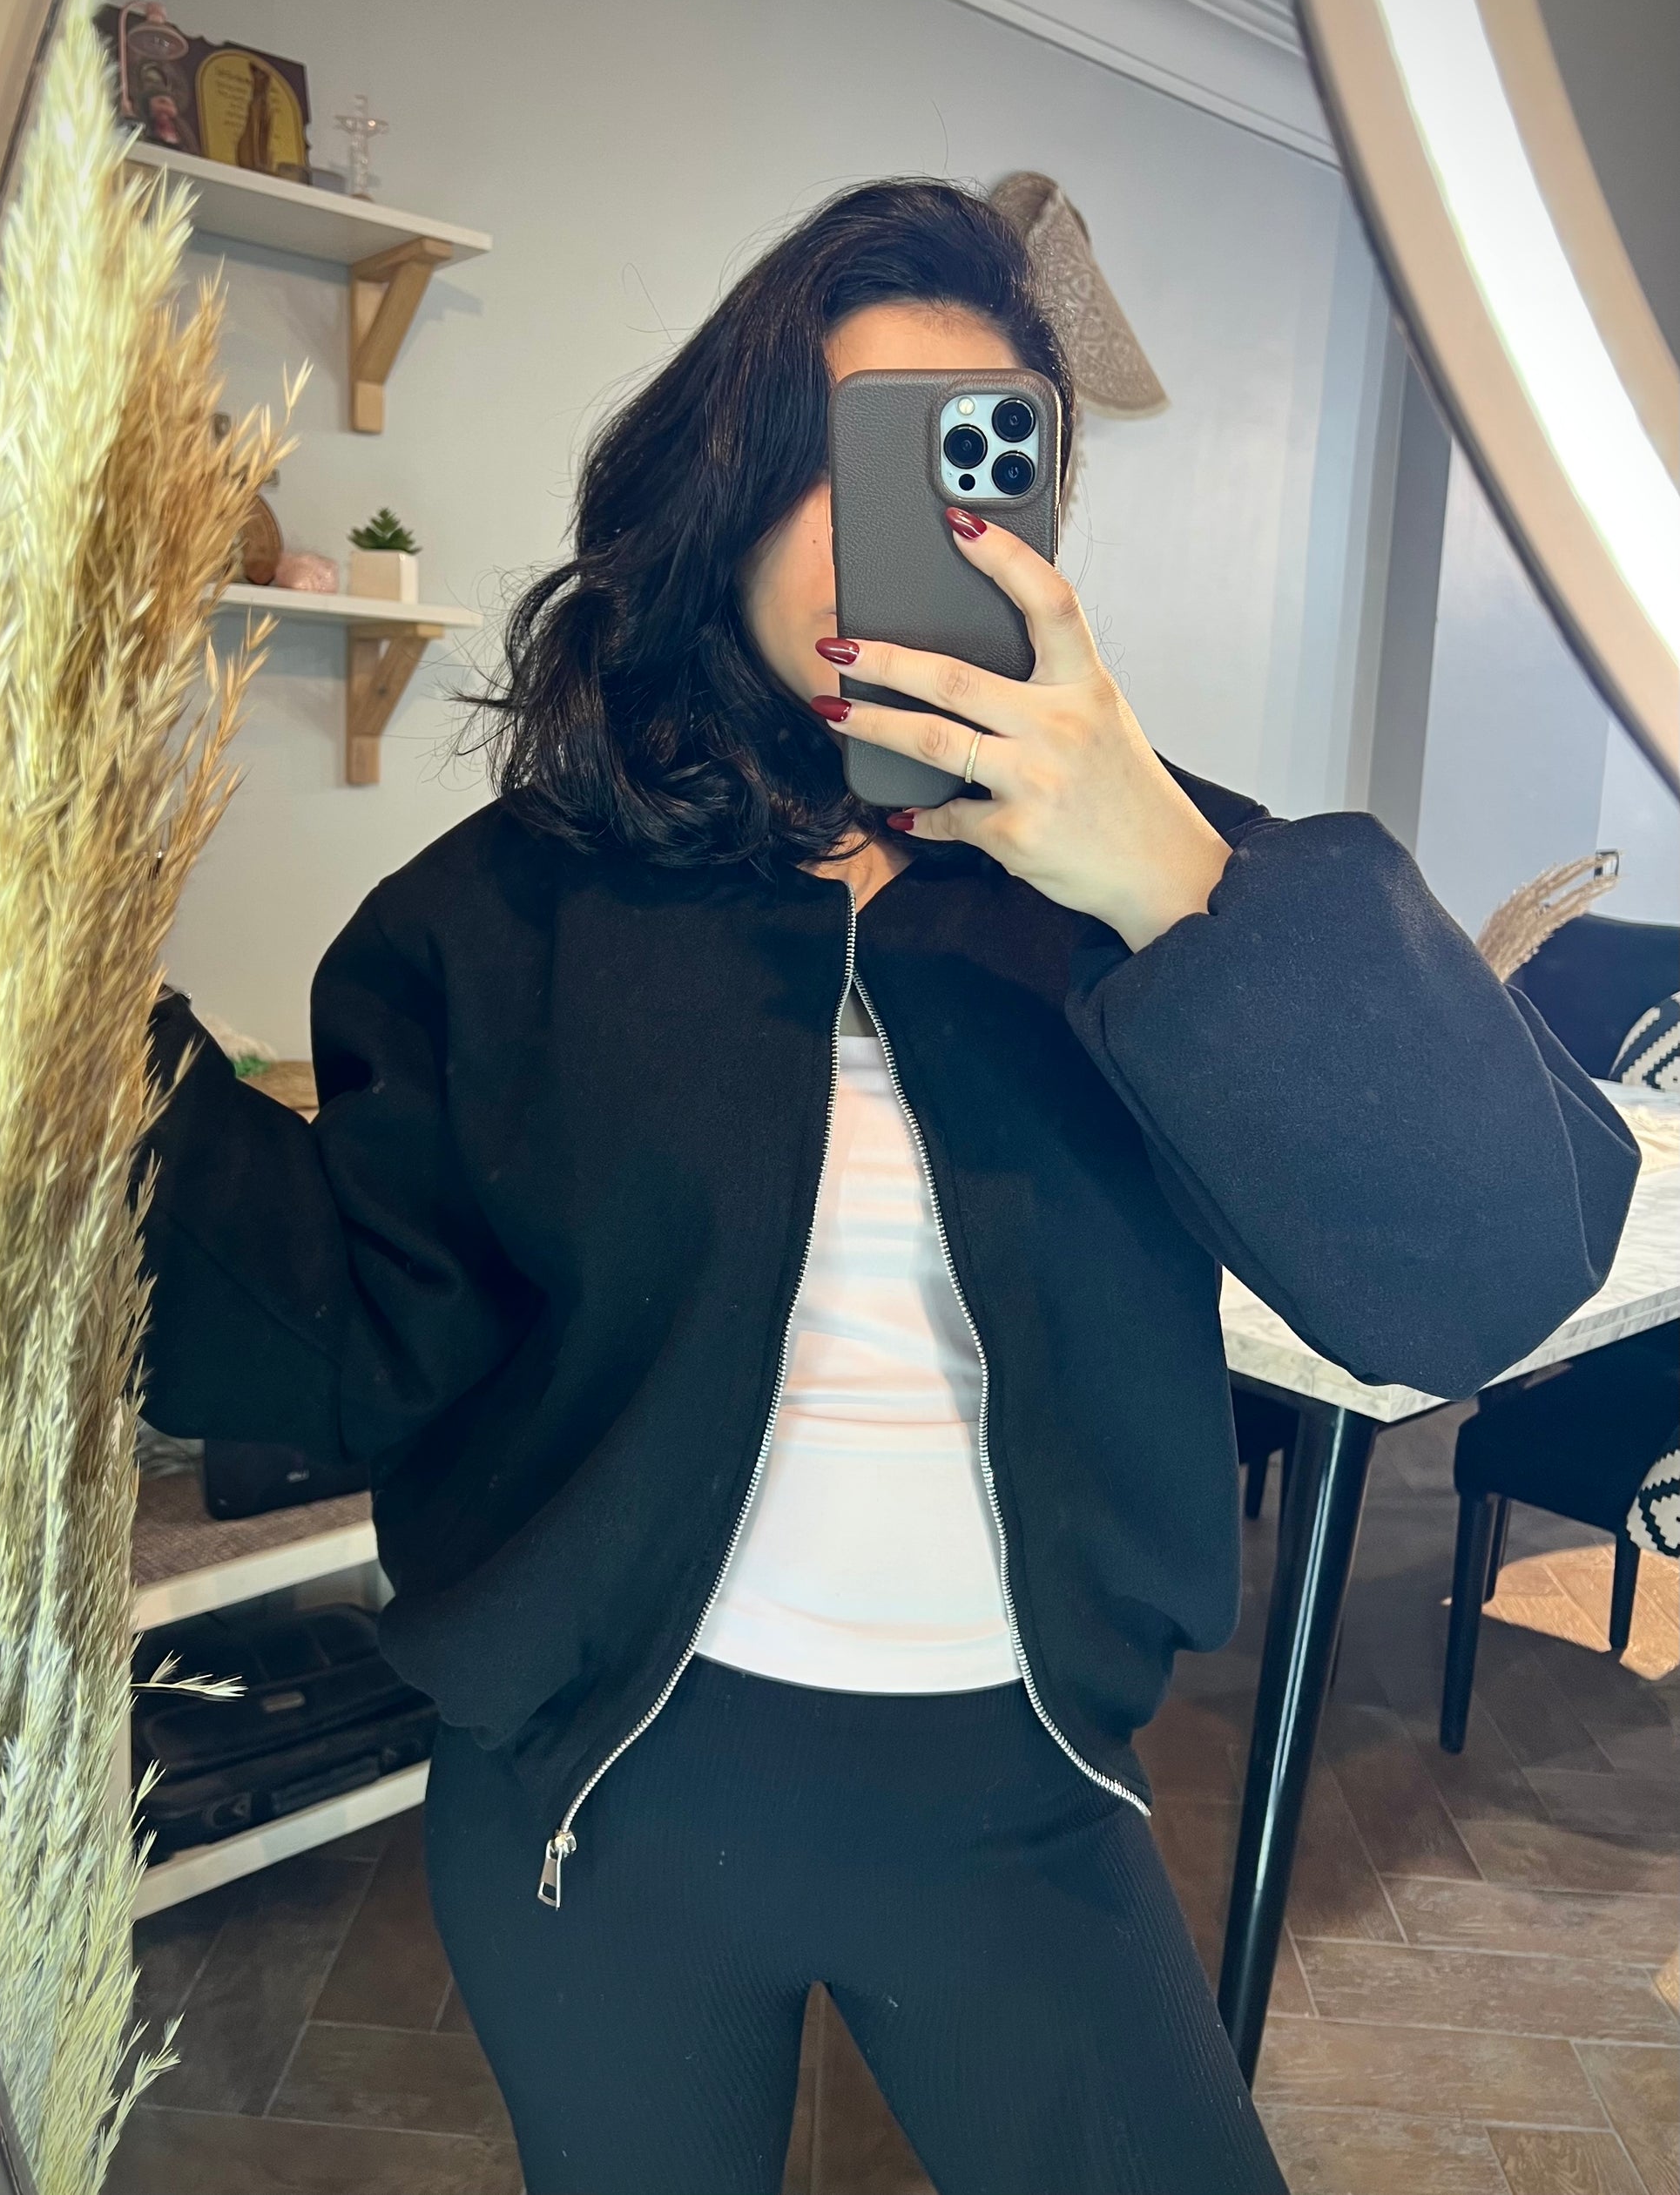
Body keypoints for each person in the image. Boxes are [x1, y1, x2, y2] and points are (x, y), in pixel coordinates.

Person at [137, 180, 1639, 2195]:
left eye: (974, 472)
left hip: (1023, 1808)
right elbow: (361, 1340)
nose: (907, 538)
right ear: (727, 488)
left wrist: (1167, 878)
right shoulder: (514, 911)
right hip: (596, 1806)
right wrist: (91, 1035)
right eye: (850, 459)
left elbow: (1491, 1273)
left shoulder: (1162, 885)